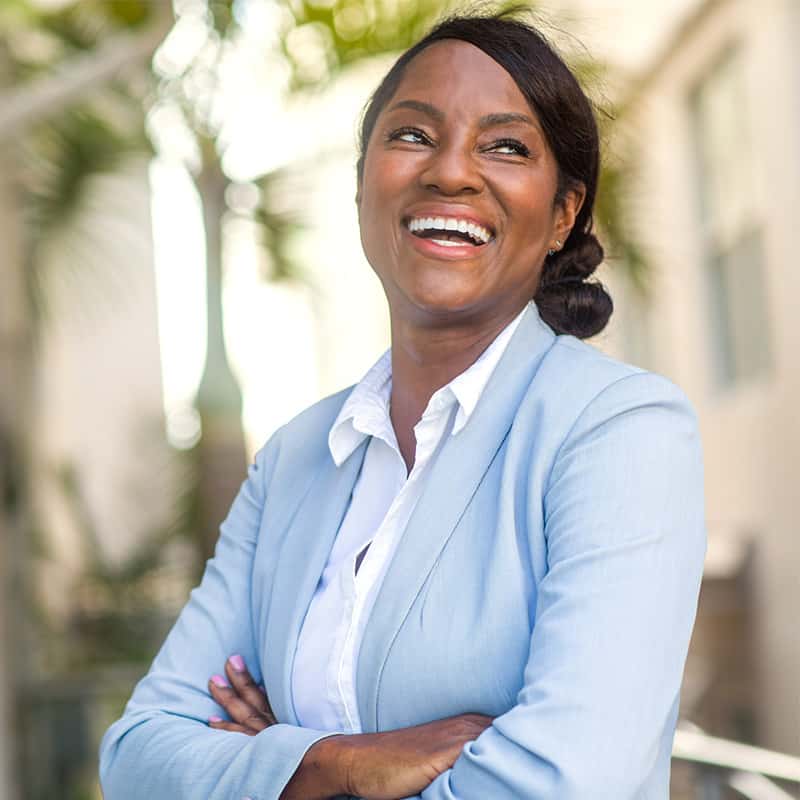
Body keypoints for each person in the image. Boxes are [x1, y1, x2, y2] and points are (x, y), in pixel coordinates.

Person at [99, 9, 706, 799]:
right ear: (362, 188)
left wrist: (267, 761)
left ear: (562, 214)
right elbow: (139, 757)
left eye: (506, 146)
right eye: (414, 135)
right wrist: (335, 761)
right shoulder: (294, 459)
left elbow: (569, 782)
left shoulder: (618, 432)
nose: (451, 172)